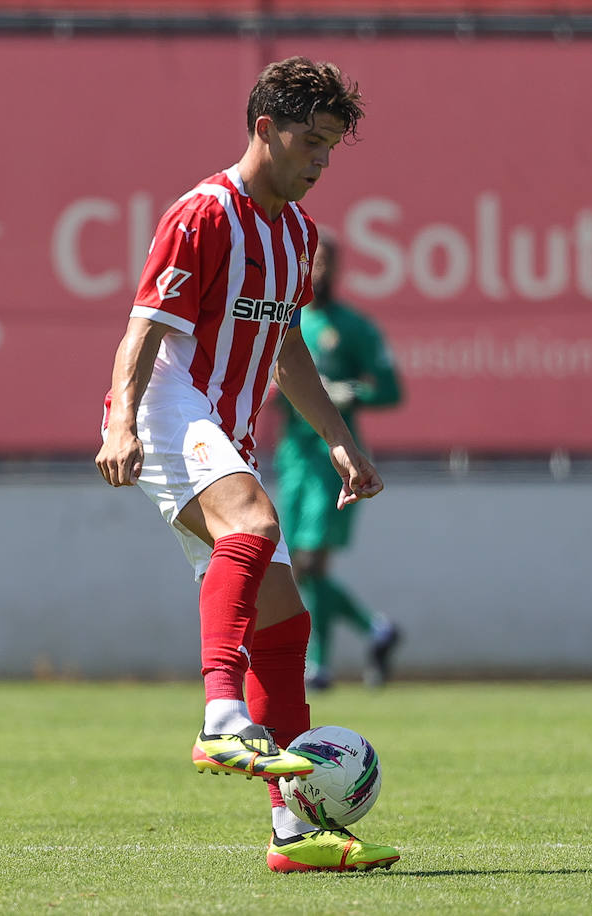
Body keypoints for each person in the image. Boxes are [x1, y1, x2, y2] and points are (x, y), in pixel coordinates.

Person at [94, 57, 398, 874]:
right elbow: (143, 329)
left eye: (331, 150)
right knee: (256, 524)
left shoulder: (297, 236)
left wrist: (338, 437)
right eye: (310, 143)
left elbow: (285, 347)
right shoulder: (202, 214)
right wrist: (121, 422)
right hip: (165, 410)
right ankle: (220, 717)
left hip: (222, 430)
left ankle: (295, 833)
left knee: (286, 622)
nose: (319, 163)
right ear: (265, 128)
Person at [273, 236, 403, 691]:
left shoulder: (353, 327)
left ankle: (321, 662)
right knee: (298, 567)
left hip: (334, 458)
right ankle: (371, 633)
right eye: (314, 264)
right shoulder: (283, 322)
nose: (320, 273)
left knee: (309, 564)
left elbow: (391, 389)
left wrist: (352, 393)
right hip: (293, 459)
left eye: (328, 264)